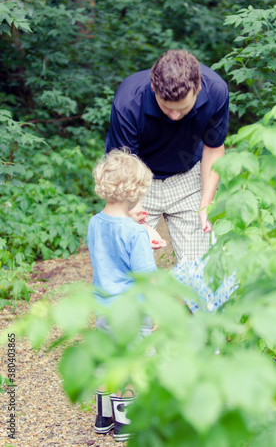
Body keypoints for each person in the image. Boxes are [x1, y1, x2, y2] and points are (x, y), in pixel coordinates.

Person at [105, 49, 229, 262]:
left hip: (188, 177)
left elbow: (214, 148)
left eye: (182, 109)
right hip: (136, 180)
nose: (174, 116)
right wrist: (139, 218)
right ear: (154, 87)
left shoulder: (216, 91)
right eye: (166, 107)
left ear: (198, 88)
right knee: (126, 266)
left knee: (200, 271)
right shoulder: (129, 100)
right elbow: (122, 167)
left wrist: (206, 203)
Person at [87, 148, 157, 441]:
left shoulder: (94, 222)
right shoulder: (136, 234)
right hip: (132, 314)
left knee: (107, 361)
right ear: (133, 191)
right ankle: (125, 425)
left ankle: (103, 418)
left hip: (104, 309)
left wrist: (133, 220)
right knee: (133, 364)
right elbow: (148, 279)